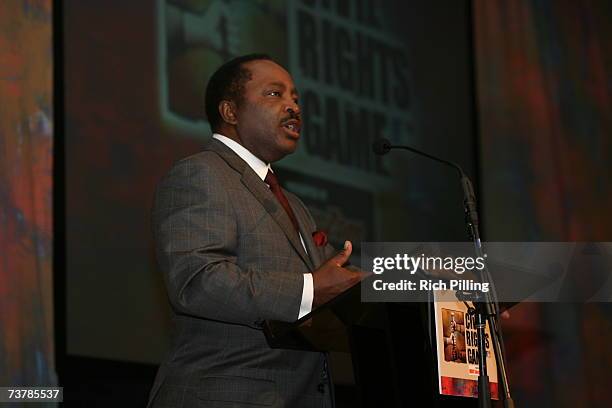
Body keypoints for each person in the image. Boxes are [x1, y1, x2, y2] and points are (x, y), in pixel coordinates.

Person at [148, 54, 365, 408]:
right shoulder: (200, 174)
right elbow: (197, 281)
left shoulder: (294, 205)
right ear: (230, 112)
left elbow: (334, 288)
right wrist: (310, 287)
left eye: (296, 97)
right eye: (274, 94)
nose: (293, 106)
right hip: (226, 397)